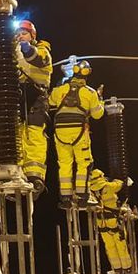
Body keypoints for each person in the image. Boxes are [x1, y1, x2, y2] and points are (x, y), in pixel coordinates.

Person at [49, 60, 104, 208]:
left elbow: (51, 101)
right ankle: (82, 197)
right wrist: (100, 100)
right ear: (87, 74)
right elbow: (97, 114)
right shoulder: (90, 92)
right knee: (84, 163)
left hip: (60, 132)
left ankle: (65, 198)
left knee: (65, 164)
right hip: (79, 131)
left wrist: (62, 85)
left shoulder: (60, 89)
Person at [15, 20, 52, 198]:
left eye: (24, 32)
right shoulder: (15, 52)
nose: (21, 35)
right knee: (18, 137)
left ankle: (35, 177)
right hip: (20, 98)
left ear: (32, 35)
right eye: (19, 33)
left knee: (34, 136)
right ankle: (18, 175)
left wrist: (25, 47)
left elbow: (37, 58)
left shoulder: (42, 50)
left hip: (37, 97)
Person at [89, 169, 132, 274]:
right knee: (120, 244)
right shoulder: (108, 186)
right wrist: (115, 179)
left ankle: (117, 268)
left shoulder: (90, 191)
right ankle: (127, 267)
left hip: (101, 222)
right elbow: (121, 184)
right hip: (113, 220)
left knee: (109, 246)